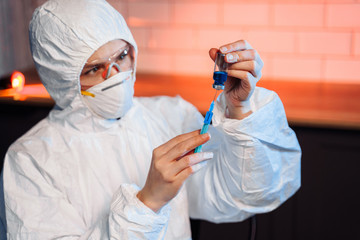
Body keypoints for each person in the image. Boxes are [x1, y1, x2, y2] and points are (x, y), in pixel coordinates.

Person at [1, 0, 301, 239]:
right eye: (94, 69)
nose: (115, 76)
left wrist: (240, 112)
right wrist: (148, 203)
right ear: (61, 80)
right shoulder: (32, 160)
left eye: (121, 56)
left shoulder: (169, 115)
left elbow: (247, 194)